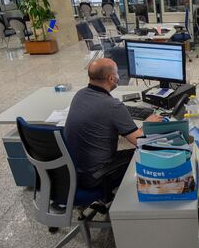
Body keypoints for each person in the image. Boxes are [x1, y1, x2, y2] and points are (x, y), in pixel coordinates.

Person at [64, 58, 162, 199]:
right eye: (117, 74)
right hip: (95, 175)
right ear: (111, 78)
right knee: (146, 154)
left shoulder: (79, 95)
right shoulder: (113, 106)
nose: (119, 77)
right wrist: (148, 125)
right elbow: (140, 141)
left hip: (73, 170)